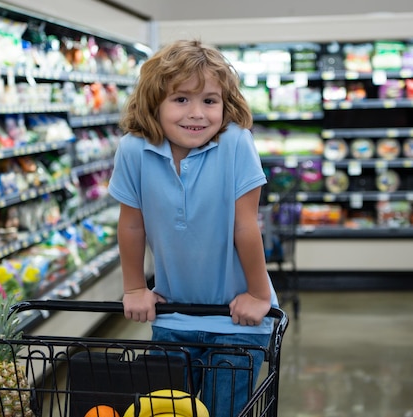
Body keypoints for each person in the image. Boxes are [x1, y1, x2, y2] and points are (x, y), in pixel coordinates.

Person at [107, 39, 279, 417]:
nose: (197, 113)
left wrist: (258, 294)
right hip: (173, 314)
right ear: (154, 102)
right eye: (181, 99)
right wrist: (135, 288)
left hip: (238, 320)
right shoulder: (134, 150)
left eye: (210, 101)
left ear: (225, 104)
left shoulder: (236, 143)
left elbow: (246, 225)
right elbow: (132, 225)